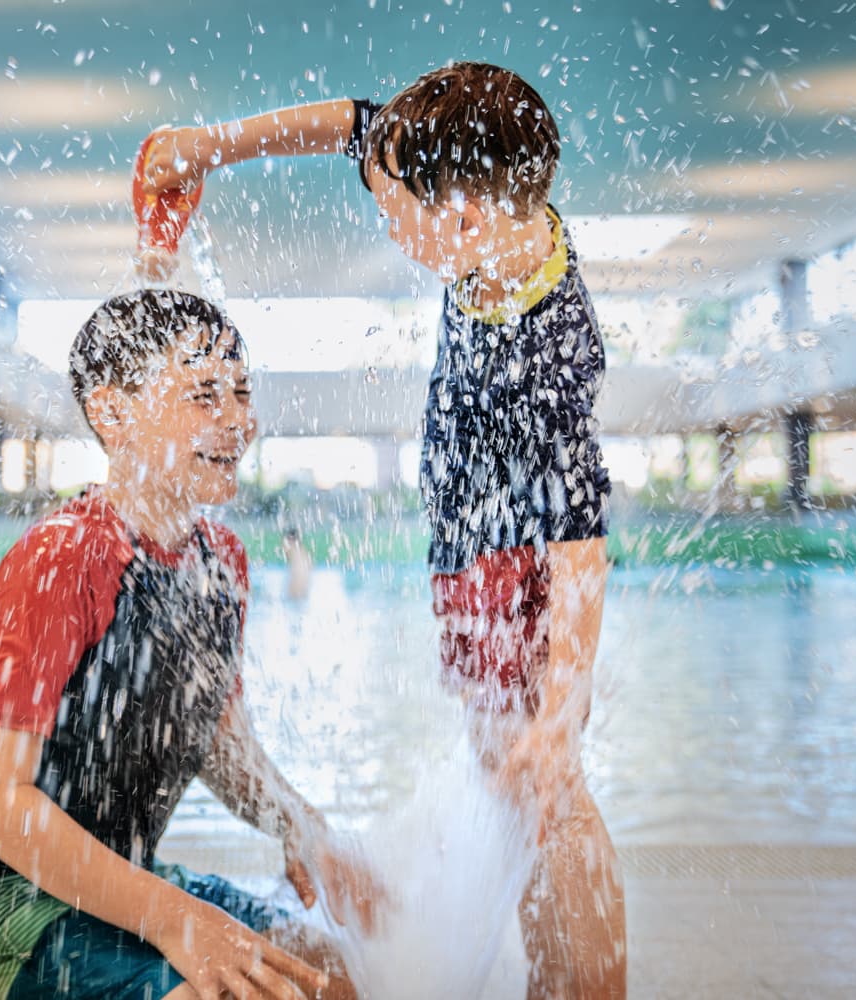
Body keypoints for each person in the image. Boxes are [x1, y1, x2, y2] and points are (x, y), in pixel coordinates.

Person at [138, 62, 624, 998]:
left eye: (394, 210)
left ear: (465, 219)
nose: (384, 220)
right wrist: (208, 148)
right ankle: (551, 982)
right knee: (514, 787)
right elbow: (346, 123)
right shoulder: (475, 206)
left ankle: (587, 990)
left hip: (516, 566)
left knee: (549, 791)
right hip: (476, 554)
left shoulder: (549, 349)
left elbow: (580, 542)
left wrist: (564, 704)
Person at [0, 290, 372, 1000]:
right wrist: (172, 919)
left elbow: (222, 746)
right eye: (204, 395)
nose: (238, 420)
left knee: (332, 976)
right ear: (113, 414)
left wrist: (300, 824)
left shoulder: (222, 562)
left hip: (108, 882)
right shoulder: (64, 557)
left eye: (241, 392)